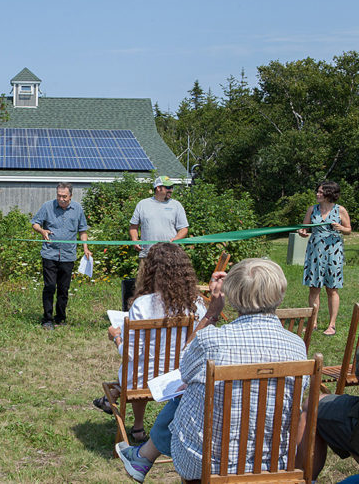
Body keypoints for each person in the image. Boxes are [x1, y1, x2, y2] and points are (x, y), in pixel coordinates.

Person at [116, 258, 307, 482]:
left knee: (186, 388)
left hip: (206, 462)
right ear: (280, 292)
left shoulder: (212, 340)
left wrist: (211, 314)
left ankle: (144, 455)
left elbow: (183, 369)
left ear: (232, 294)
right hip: (271, 462)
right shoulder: (296, 345)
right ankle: (143, 455)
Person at [93, 243, 207, 442]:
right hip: (181, 376)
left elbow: (129, 354)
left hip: (141, 380)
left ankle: (136, 425)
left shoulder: (143, 305)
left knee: (138, 368)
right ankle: (135, 423)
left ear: (151, 271)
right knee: (143, 366)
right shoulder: (197, 305)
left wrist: (116, 337)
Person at [31, 182, 92, 330]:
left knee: (64, 289)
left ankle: (60, 318)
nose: (61, 199)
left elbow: (82, 230)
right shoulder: (47, 206)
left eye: (64, 196)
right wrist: (42, 231)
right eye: (59, 196)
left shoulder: (77, 209)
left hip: (68, 255)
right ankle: (47, 319)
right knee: (50, 286)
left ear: (70, 196)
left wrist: (85, 248)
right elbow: (35, 223)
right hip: (49, 253)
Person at [298, 180, 352, 336]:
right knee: (314, 288)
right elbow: (304, 229)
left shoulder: (340, 210)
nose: (317, 194)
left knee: (332, 289)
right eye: (318, 191)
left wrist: (341, 228)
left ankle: (332, 325)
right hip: (315, 252)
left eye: (321, 192)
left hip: (333, 253)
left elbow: (348, 230)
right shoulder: (312, 209)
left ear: (329, 194)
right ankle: (313, 323)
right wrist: (303, 233)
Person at [129, 176, 188, 258]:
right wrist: (134, 241)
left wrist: (176, 239)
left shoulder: (176, 205)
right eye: (168, 187)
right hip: (147, 255)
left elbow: (184, 228)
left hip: (170, 255)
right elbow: (133, 227)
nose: (171, 190)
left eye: (172, 187)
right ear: (158, 188)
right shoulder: (142, 204)